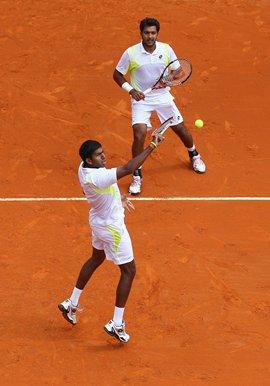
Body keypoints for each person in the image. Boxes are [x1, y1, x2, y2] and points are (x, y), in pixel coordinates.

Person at [58, 132, 163, 343]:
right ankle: (116, 323)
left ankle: (71, 302)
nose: (103, 157)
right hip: (112, 227)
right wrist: (152, 145)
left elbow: (108, 184)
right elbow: (128, 169)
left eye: (102, 152)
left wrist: (117, 198)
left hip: (98, 221)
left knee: (96, 258)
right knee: (129, 270)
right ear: (89, 160)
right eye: (98, 155)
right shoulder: (97, 176)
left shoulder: (85, 169)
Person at [113, 17, 206, 195]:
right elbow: (117, 74)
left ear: (157, 33)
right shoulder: (131, 53)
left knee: (180, 128)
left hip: (162, 96)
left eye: (153, 33)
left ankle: (194, 155)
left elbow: (179, 72)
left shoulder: (166, 49)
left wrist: (168, 80)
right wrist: (131, 90)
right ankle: (136, 174)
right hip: (141, 99)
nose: (150, 36)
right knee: (139, 133)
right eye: (147, 33)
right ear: (141, 34)